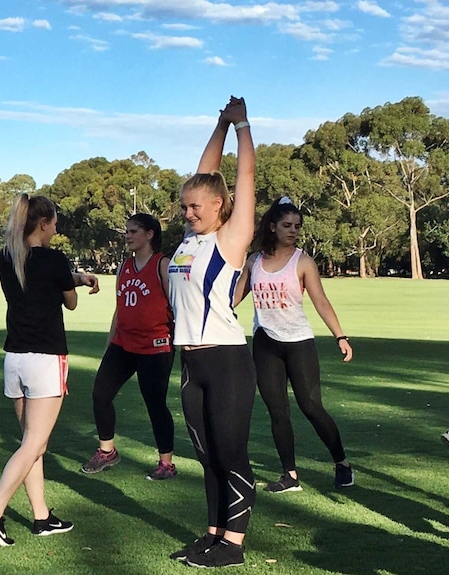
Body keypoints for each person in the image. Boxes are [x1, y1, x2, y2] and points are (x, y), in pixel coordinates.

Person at [0, 193, 99, 546]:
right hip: (46, 358)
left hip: (15, 357)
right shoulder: (54, 259)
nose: (56, 228)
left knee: (32, 443)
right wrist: (75, 283)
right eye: (54, 223)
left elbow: (48, 279)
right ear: (43, 224)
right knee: (34, 443)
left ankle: (41, 517)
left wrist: (80, 276)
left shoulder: (8, 256)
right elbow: (69, 303)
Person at [166, 96, 256, 569]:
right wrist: (217, 124)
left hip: (226, 362)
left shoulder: (230, 238)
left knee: (230, 453)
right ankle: (214, 534)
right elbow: (206, 175)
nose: (187, 212)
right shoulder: (189, 241)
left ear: (220, 207)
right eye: (184, 207)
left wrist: (241, 125)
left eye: (195, 207)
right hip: (192, 363)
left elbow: (242, 179)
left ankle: (234, 547)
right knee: (206, 455)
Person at [234, 197, 354, 494]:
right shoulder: (254, 261)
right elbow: (234, 297)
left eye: (297, 226)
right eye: (287, 225)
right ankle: (290, 475)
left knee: (311, 406)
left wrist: (341, 336)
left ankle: (341, 462)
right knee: (278, 411)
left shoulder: (303, 262)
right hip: (265, 342)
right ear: (272, 226)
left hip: (298, 342)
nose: (293, 231)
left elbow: (321, 302)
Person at [81, 213, 177, 480]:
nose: (128, 236)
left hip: (155, 346)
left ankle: (167, 463)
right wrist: (109, 342)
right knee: (100, 394)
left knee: (155, 404)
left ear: (150, 234)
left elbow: (177, 307)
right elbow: (120, 308)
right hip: (123, 344)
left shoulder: (163, 265)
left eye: (134, 231)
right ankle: (107, 451)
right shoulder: (124, 267)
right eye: (127, 231)